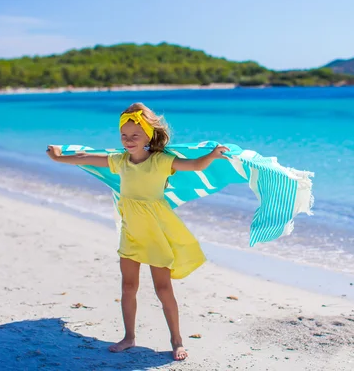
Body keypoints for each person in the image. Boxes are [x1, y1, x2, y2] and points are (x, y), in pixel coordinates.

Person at [46, 102, 229, 360]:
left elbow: (195, 165)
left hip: (156, 233)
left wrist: (212, 155)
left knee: (163, 289)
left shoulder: (161, 161)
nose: (128, 140)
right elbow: (85, 158)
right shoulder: (120, 161)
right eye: (124, 135)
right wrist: (58, 157)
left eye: (135, 135)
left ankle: (177, 340)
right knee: (128, 286)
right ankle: (129, 337)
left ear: (148, 136)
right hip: (131, 232)